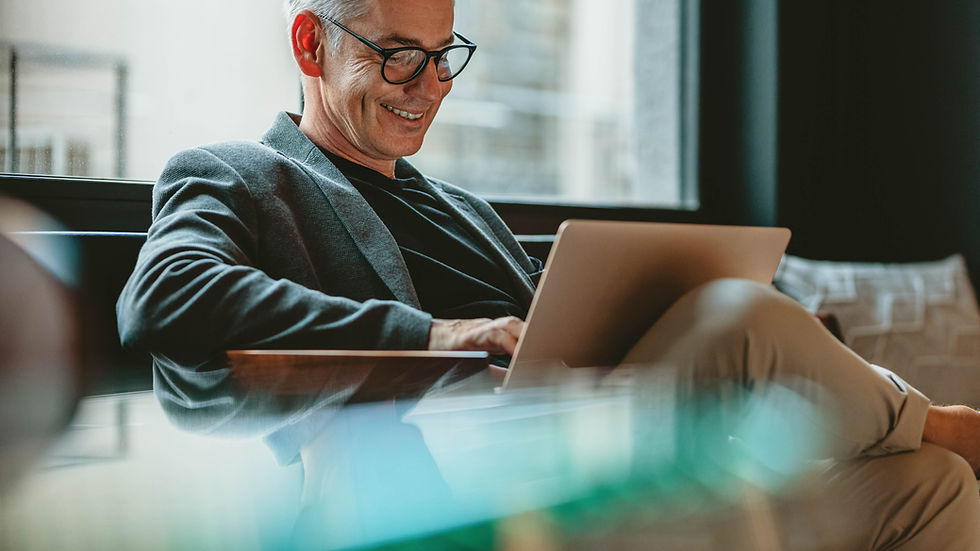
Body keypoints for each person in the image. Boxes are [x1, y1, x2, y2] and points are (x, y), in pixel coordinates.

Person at [116, 0, 980, 547]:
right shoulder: (233, 172)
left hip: (603, 439)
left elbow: (569, 315)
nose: (430, 85)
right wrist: (436, 334)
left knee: (929, 488)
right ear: (310, 41)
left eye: (444, 53)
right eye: (399, 55)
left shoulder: (464, 208)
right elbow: (167, 295)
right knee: (738, 320)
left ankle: (919, 436)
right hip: (458, 473)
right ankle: (932, 417)